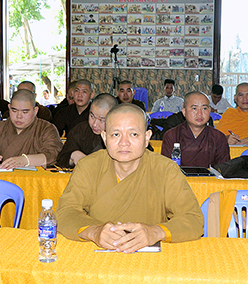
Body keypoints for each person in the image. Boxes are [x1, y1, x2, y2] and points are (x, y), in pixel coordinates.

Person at [55, 104, 204, 253]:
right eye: (116, 134)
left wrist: (155, 232)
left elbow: (193, 219)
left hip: (150, 257)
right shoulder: (88, 166)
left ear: (147, 137)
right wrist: (94, 232)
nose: (124, 143)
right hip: (98, 253)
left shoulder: (165, 169)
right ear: (104, 137)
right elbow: (65, 213)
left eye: (133, 134)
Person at [0, 89, 62, 168]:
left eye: (25, 112)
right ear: (9, 108)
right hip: (3, 179)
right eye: (14, 110)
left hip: (35, 180)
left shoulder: (46, 129)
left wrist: (25, 160)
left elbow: (54, 155)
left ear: (35, 111)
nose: (19, 116)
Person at [161, 92, 229, 167]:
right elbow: (166, 169)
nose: (199, 114)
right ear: (184, 111)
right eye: (194, 108)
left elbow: (223, 170)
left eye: (204, 108)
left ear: (209, 110)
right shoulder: (172, 135)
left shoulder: (218, 138)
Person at [56, 94, 117, 168]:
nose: (95, 124)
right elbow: (60, 158)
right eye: (92, 116)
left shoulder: (120, 136)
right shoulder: (80, 130)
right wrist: (73, 155)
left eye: (101, 120)